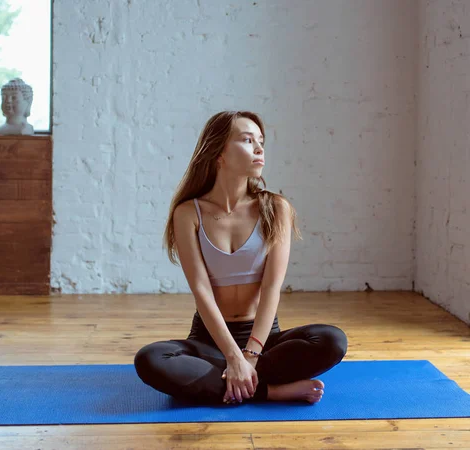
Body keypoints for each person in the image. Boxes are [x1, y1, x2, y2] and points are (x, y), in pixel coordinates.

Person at [134, 111, 348, 406]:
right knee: (150, 359)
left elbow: (272, 288)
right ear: (219, 152)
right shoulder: (188, 213)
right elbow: (201, 290)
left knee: (332, 340)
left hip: (263, 341)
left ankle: (233, 382)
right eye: (248, 140)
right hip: (209, 341)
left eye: (261, 141)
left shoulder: (275, 207)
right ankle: (270, 391)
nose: (259, 149)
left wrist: (249, 355)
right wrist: (233, 357)